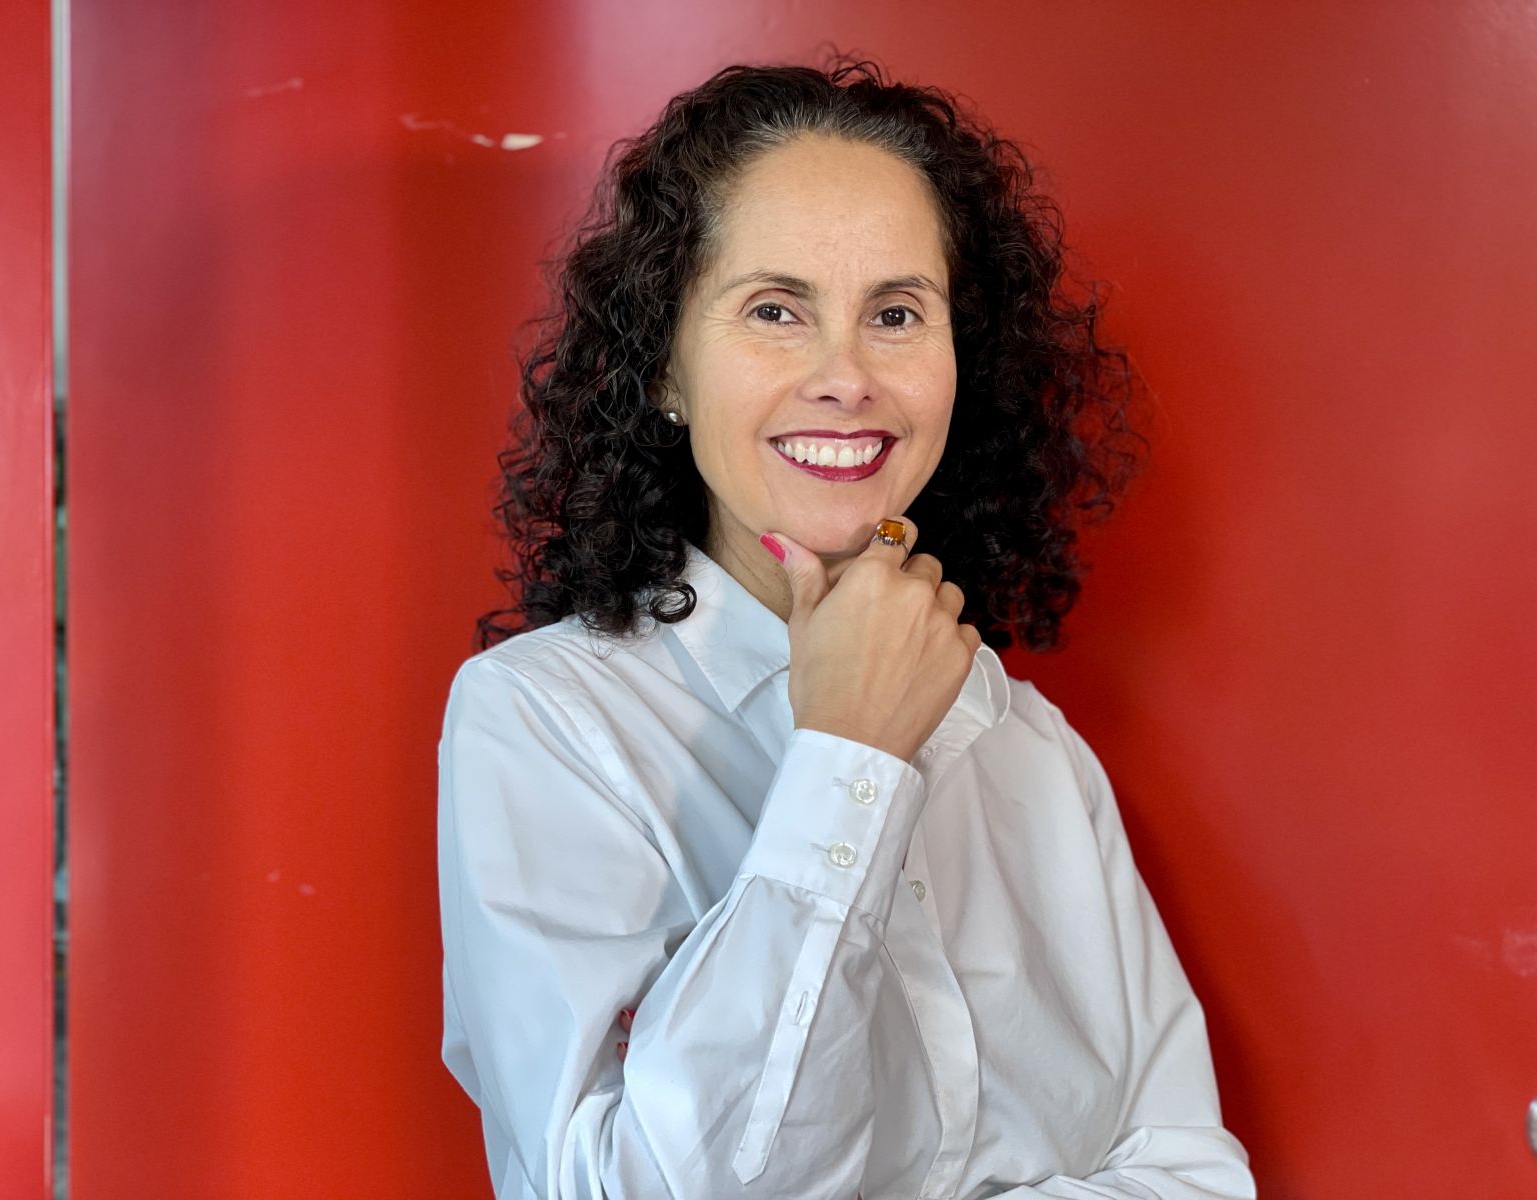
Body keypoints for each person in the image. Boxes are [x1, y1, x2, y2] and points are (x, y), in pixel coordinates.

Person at [437, 59, 1256, 1200]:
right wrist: (848, 766)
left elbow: (1190, 1174)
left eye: (896, 313)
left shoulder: (1032, 748)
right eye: (775, 310)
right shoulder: (541, 723)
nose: (846, 376)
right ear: (666, 367)